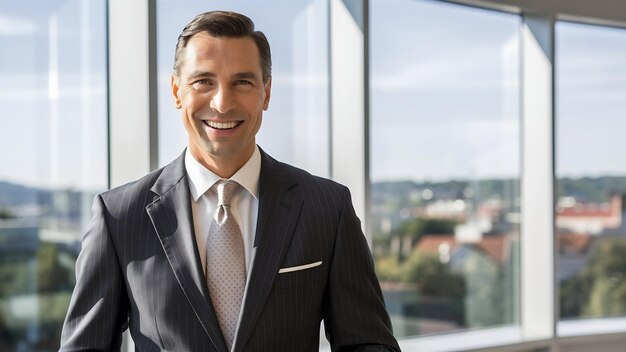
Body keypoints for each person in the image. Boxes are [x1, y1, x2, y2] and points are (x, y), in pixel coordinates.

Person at [60, 10, 400, 352]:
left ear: (266, 93)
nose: (222, 103)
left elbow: (368, 344)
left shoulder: (327, 207)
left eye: (242, 82)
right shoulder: (119, 216)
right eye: (203, 81)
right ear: (177, 90)